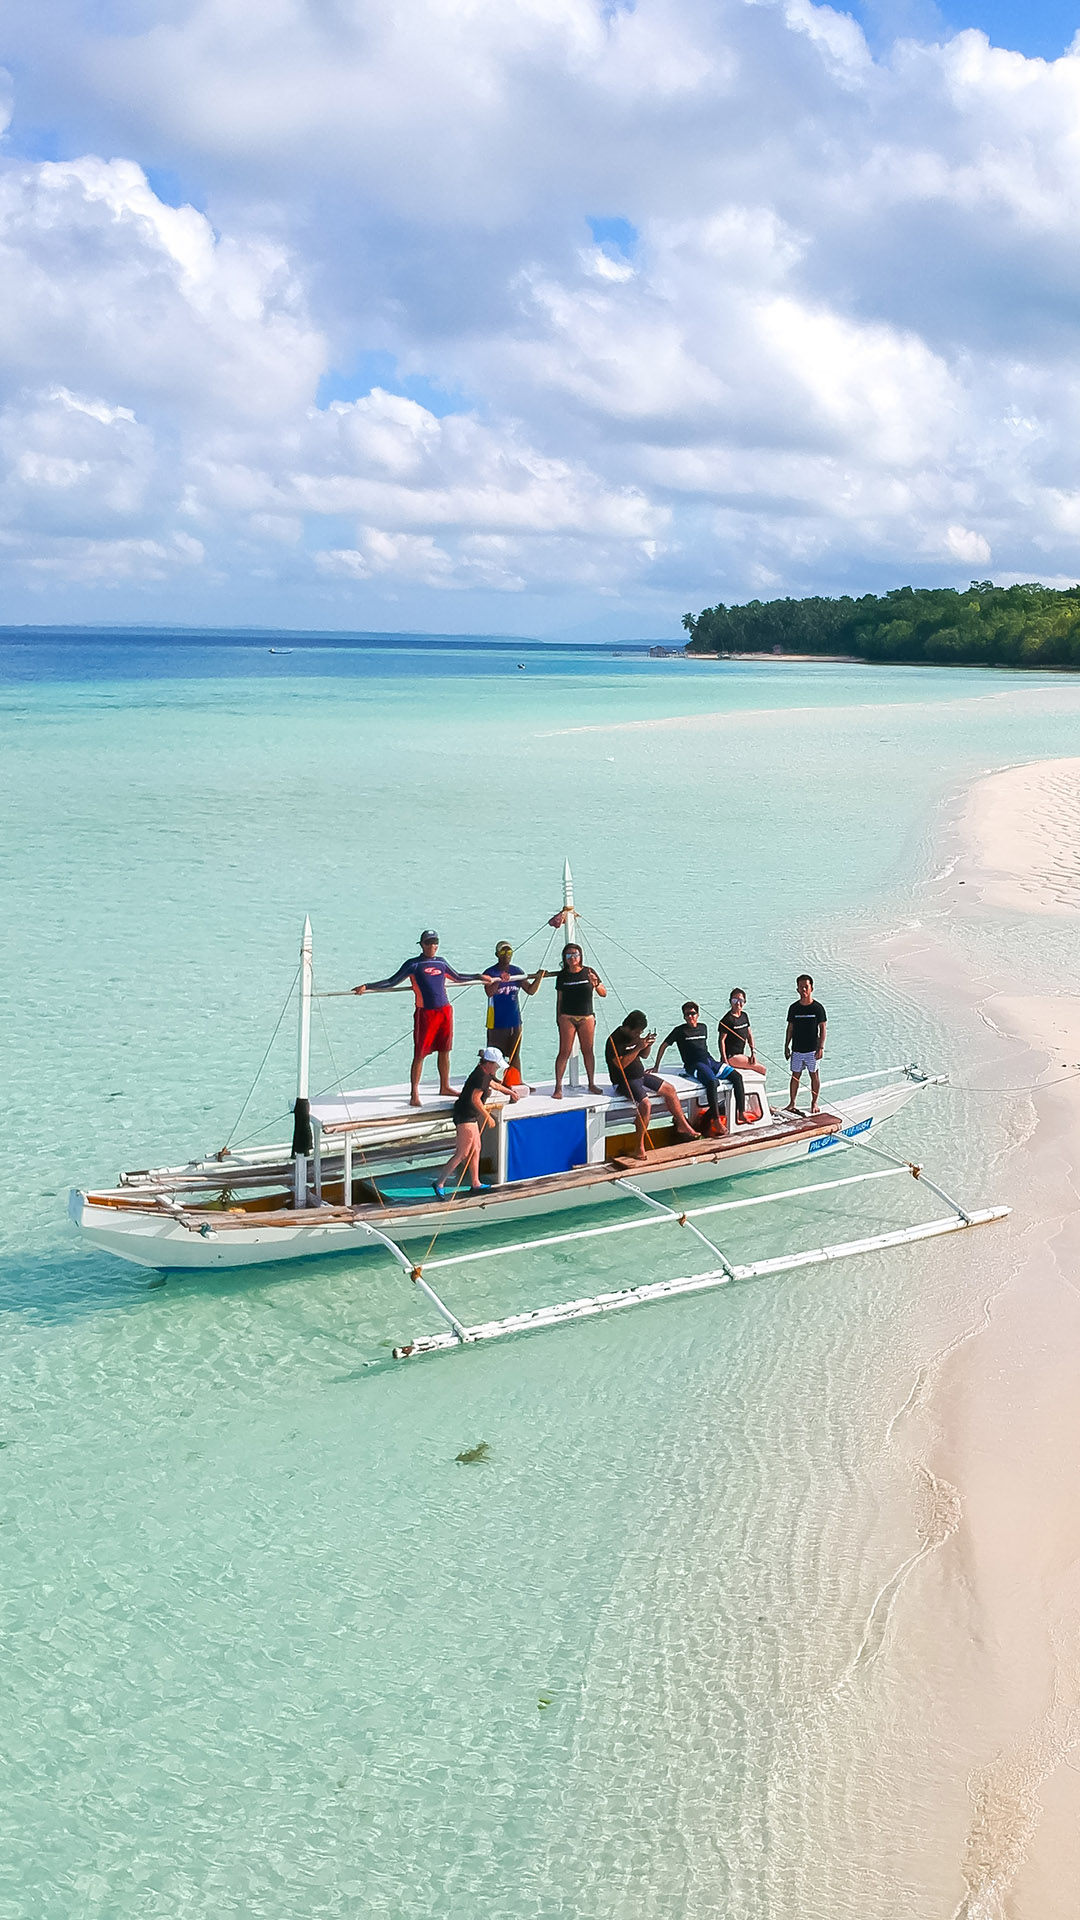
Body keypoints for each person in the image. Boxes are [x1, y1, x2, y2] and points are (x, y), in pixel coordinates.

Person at [352, 931, 482, 1107]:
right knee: (420, 1054)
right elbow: (391, 982)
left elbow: (458, 977)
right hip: (425, 1014)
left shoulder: (441, 962)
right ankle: (414, 1091)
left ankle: (445, 1086)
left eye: (435, 942)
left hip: (444, 1011)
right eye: (428, 943)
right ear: (421, 945)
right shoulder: (413, 965)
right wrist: (367, 986)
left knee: (445, 1050)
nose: (432, 946)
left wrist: (479, 976)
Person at [606, 1011, 699, 1158]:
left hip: (640, 1075)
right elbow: (620, 1065)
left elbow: (644, 1055)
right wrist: (637, 1047)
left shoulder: (635, 1036)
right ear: (628, 1028)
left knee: (670, 1089)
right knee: (645, 1104)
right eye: (637, 1032)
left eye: (641, 1032)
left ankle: (683, 1125)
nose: (638, 1035)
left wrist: (646, 1045)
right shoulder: (614, 1040)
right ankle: (639, 1147)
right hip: (624, 1080)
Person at [434, 1047, 524, 1198]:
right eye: (496, 1065)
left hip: (471, 1116)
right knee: (462, 1153)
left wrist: (510, 1092)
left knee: (476, 1148)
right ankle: (439, 1182)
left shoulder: (485, 1073)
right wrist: (487, 1117)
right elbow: (475, 1099)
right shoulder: (481, 1077)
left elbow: (494, 1085)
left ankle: (475, 1182)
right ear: (489, 1063)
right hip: (466, 1116)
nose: (497, 1068)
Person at [654, 1000, 753, 1133]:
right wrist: (656, 1066)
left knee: (736, 1076)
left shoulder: (703, 1027)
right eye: (687, 1014)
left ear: (698, 1014)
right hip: (694, 1064)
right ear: (684, 1017)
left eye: (692, 1013)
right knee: (712, 1082)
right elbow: (663, 1046)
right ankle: (717, 1121)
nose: (690, 1017)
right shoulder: (679, 1031)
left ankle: (741, 1112)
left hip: (709, 1061)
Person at [547, 943, 607, 1098]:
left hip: (587, 1016)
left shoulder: (588, 972)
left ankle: (591, 1083)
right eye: (568, 955)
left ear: (580, 956)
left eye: (575, 954)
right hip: (568, 1017)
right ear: (564, 958)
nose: (572, 958)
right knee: (564, 1052)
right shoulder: (562, 976)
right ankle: (558, 1086)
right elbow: (559, 999)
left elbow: (603, 993)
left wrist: (596, 983)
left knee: (588, 1051)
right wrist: (558, 1018)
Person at [481, 942, 543, 1085]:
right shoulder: (490, 973)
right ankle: (489, 1081)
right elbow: (489, 992)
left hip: (514, 1021)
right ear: (497, 955)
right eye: (503, 953)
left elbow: (531, 990)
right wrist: (498, 980)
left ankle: (516, 1081)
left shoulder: (517, 972)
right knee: (493, 1055)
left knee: (515, 1055)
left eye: (509, 953)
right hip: (496, 1022)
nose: (506, 956)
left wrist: (538, 978)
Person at [785, 974, 827, 1114]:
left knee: (814, 1075)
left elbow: (823, 1029)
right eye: (801, 987)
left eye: (806, 987)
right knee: (795, 1076)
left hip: (812, 1050)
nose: (803, 990)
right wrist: (786, 1046)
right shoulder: (793, 1008)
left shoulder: (818, 1008)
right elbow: (790, 1028)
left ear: (811, 988)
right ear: (797, 989)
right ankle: (792, 1103)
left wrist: (820, 1048)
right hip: (797, 1049)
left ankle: (814, 1102)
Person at [718, 989, 768, 1077]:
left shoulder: (744, 1016)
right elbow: (721, 1041)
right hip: (731, 1056)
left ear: (744, 1002)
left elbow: (749, 1035)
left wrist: (753, 1052)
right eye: (735, 1000)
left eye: (740, 1000)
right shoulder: (727, 1019)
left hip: (740, 1055)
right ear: (730, 1001)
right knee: (762, 1069)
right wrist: (724, 1059)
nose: (738, 1003)